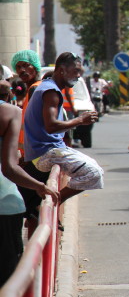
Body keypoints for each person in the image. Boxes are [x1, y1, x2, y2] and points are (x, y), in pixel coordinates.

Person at [23, 52, 103, 204]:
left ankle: (50, 204)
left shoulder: (48, 87)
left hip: (47, 149)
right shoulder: (51, 91)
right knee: (94, 173)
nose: (78, 76)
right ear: (61, 70)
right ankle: (54, 202)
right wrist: (80, 120)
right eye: (75, 71)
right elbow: (51, 126)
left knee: (95, 166)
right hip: (46, 152)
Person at [1, 93, 59, 286]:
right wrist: (40, 187)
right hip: (4, 204)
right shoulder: (10, 112)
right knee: (8, 282)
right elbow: (9, 168)